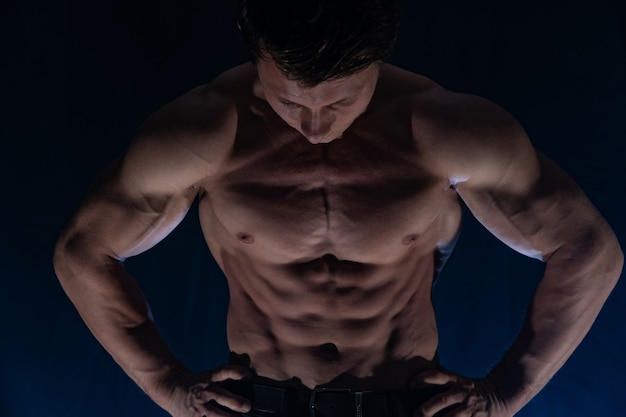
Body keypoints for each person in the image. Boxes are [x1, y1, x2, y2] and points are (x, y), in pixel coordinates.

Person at [53, 0, 623, 416]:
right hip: (258, 405)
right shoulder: (206, 134)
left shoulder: (446, 132)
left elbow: (588, 250)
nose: (315, 125)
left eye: (343, 100)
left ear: (380, 54)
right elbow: (83, 251)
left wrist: (504, 394)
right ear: (254, 48)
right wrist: (169, 386)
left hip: (407, 405)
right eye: (289, 99)